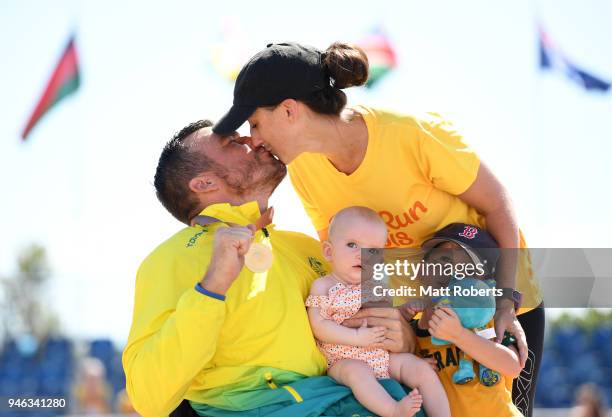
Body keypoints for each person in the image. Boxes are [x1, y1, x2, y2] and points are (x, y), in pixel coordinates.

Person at [213, 41, 545, 417]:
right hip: (423, 318)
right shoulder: (305, 169)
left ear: (289, 110)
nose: (253, 137)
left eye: (254, 122)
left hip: (493, 304)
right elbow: (351, 262)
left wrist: (506, 299)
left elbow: (497, 203)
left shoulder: (410, 134)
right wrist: (393, 327)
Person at [122, 120, 416, 417]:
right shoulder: (170, 258)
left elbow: (384, 329)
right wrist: (211, 288)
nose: (252, 139)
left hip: (343, 397)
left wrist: (404, 336)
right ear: (205, 184)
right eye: (232, 143)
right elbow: (148, 396)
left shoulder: (309, 247)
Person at [306, 206, 450, 417]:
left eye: (372, 250)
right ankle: (393, 410)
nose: (361, 255)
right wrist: (356, 337)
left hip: (381, 357)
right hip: (342, 360)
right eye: (352, 244)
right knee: (358, 373)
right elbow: (319, 325)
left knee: (421, 370)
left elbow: (387, 319)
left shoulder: (376, 285)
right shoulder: (324, 286)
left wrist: (405, 312)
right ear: (329, 251)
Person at [408, 223, 523, 417]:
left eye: (468, 269)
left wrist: (460, 336)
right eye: (444, 260)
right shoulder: (411, 333)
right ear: (422, 271)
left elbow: (512, 367)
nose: (453, 273)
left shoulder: (487, 320)